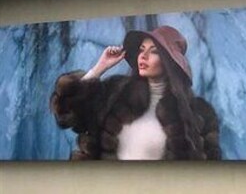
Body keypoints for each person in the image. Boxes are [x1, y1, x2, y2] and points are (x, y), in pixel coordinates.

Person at [50, 25, 220, 161]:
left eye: (153, 51)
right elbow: (67, 111)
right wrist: (100, 68)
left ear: (169, 61)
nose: (143, 56)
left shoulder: (199, 113)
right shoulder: (116, 91)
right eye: (141, 49)